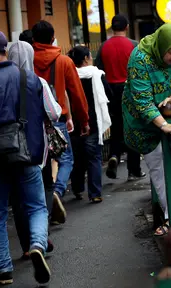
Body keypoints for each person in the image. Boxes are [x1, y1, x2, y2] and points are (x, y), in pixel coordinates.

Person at [0, 29, 51, 284]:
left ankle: (4, 270)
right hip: (25, 153)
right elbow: (38, 116)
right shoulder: (29, 78)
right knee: (36, 206)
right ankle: (37, 244)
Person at [122, 23, 171, 236]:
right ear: (162, 47)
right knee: (159, 166)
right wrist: (163, 125)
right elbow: (142, 101)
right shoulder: (140, 59)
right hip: (144, 121)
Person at [32, 20, 90, 225]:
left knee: (40, 166)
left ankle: (44, 205)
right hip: (57, 120)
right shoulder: (64, 62)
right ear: (52, 37)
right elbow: (76, 94)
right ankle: (57, 192)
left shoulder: (27, 61)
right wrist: (83, 120)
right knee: (66, 160)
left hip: (33, 122)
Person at [8, 40, 62, 259]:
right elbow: (54, 112)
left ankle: (26, 246)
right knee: (42, 192)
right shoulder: (37, 81)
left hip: (9, 149)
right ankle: (40, 236)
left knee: (18, 199)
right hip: (37, 148)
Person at [95, 14, 146, 181]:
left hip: (110, 90)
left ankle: (114, 155)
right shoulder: (134, 45)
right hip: (129, 89)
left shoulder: (103, 47)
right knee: (133, 127)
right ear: (127, 27)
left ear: (112, 28)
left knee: (116, 126)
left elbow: (98, 71)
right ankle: (133, 170)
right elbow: (141, 69)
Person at [67, 45, 112, 203]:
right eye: (90, 56)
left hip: (74, 121)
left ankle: (78, 189)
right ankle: (95, 193)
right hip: (93, 120)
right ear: (86, 59)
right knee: (94, 157)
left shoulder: (69, 74)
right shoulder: (97, 74)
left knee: (77, 157)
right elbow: (108, 94)